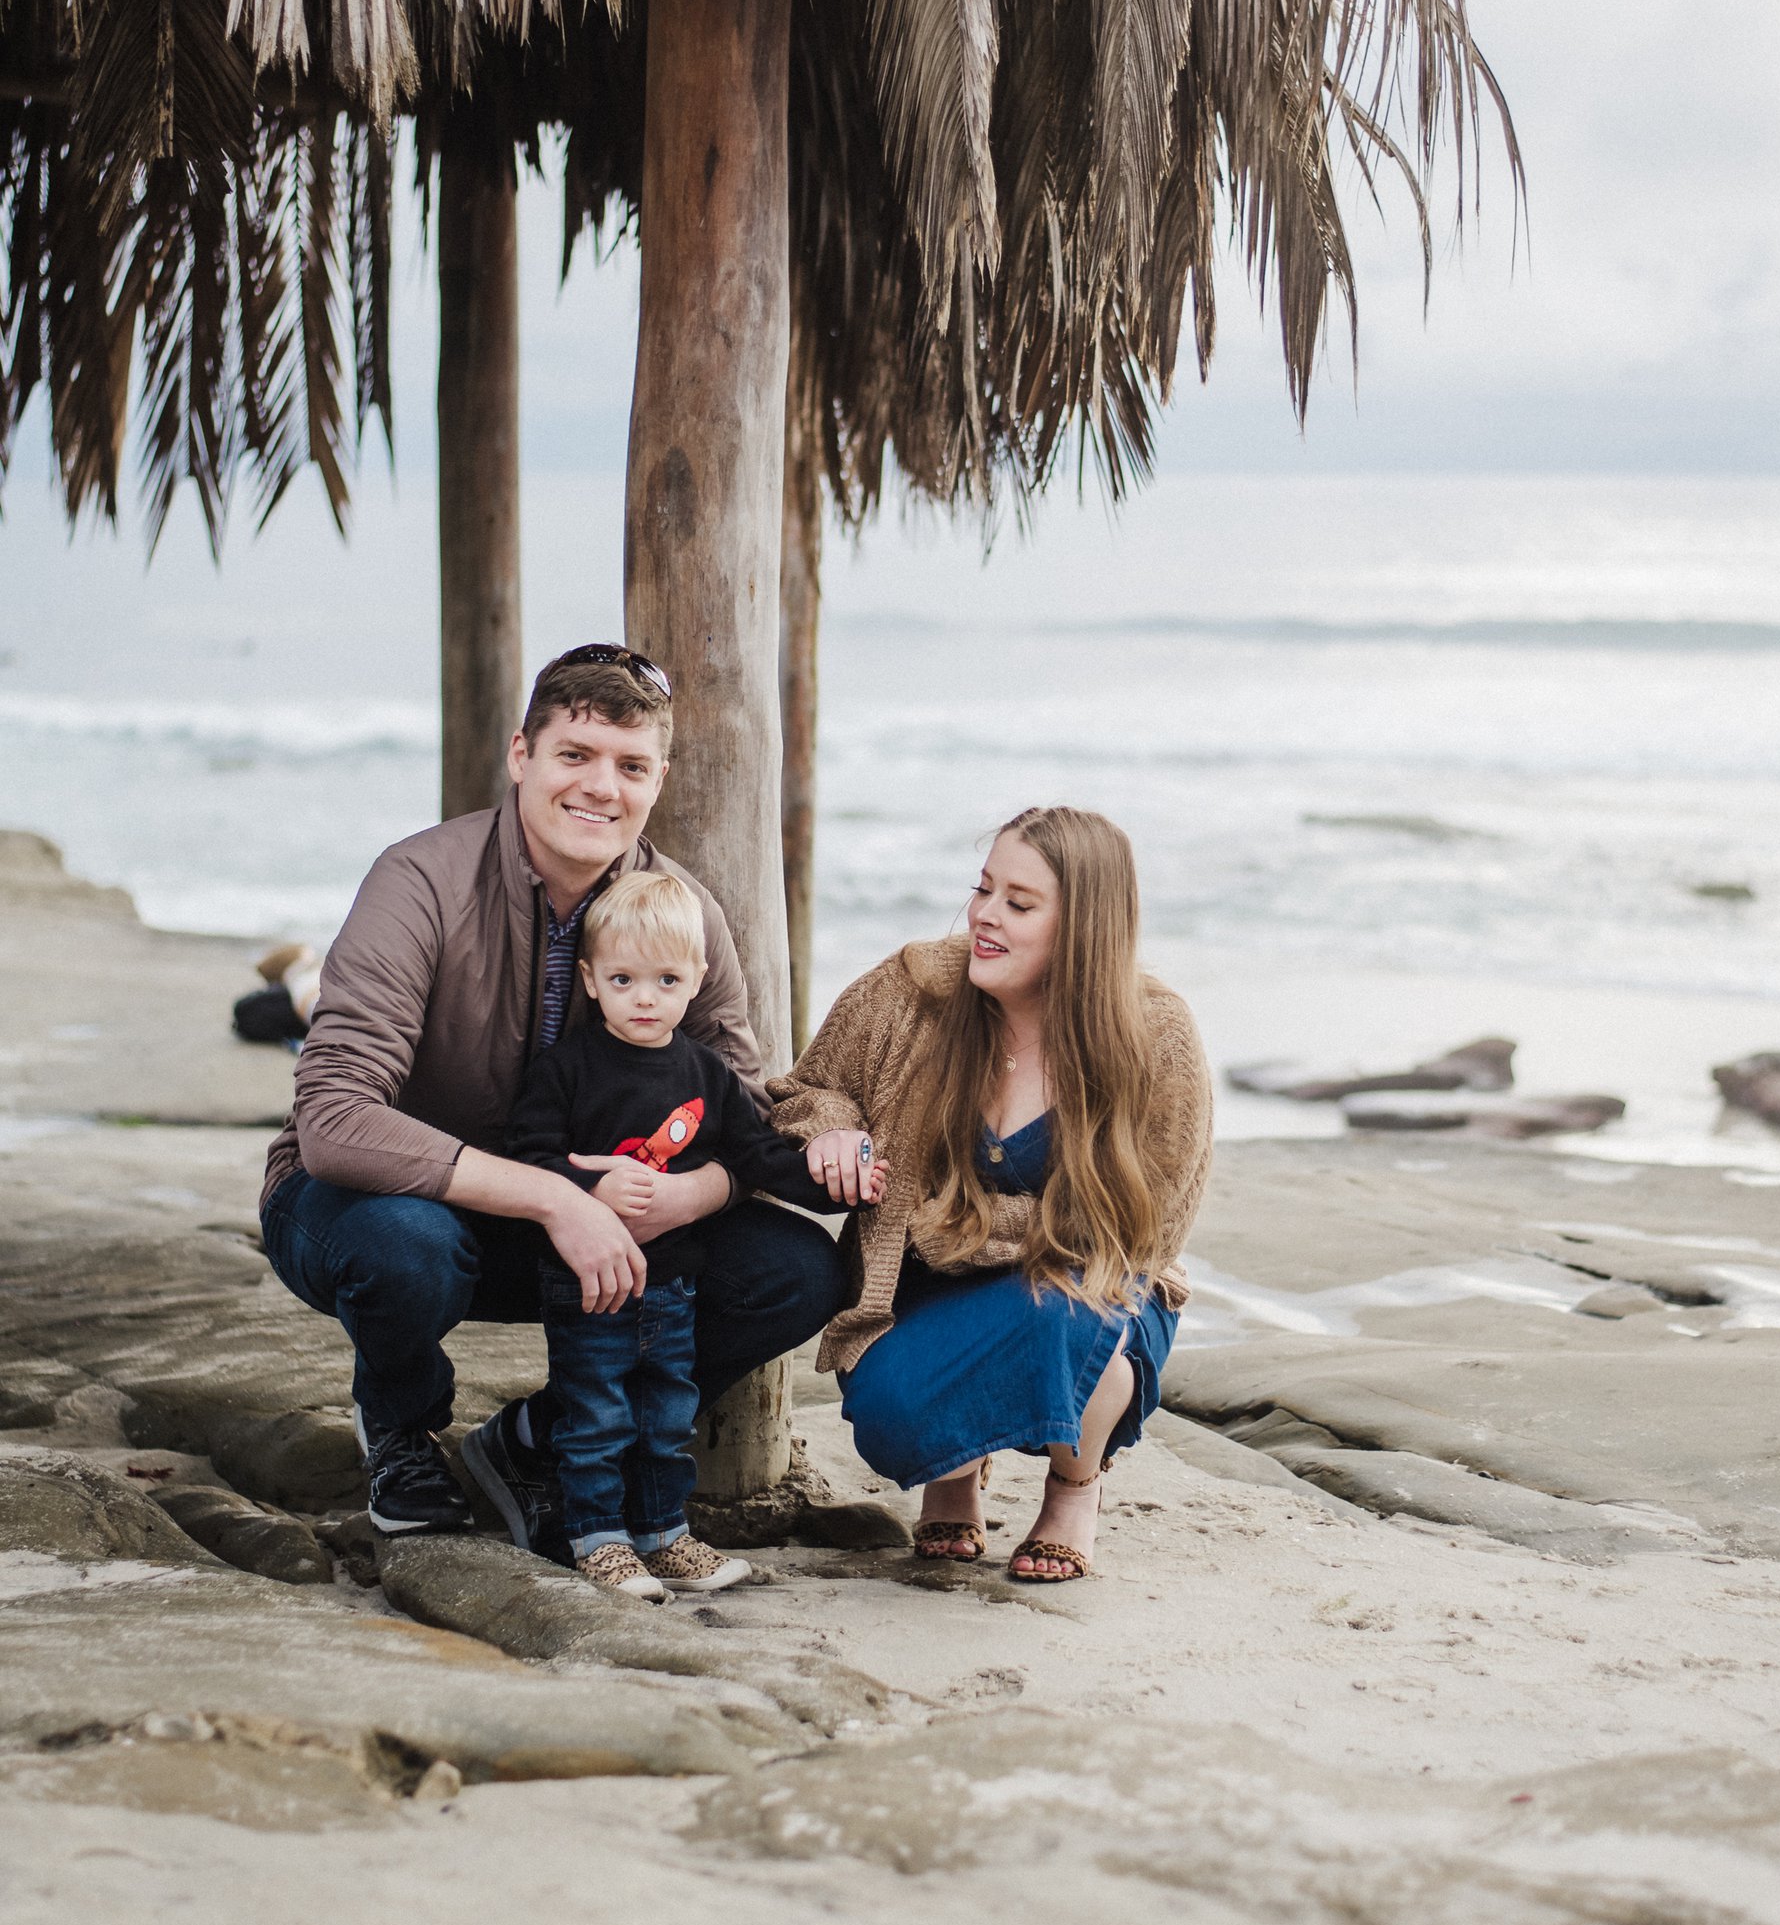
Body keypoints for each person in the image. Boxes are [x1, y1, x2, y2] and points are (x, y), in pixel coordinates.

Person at [258, 644, 847, 1548]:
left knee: (797, 1268)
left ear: (659, 780)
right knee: (404, 1250)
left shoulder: (685, 912)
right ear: (521, 756)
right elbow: (333, 1119)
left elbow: (740, 1115)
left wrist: (692, 1192)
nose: (601, 787)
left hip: (606, 1225)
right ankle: (400, 1425)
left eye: (631, 765)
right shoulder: (420, 880)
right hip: (391, 1209)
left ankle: (538, 1437)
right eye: (575, 754)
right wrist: (555, 1198)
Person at [769, 805, 1212, 1583]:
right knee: (891, 1421)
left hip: (1083, 1287)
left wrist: (965, 1226)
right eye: (983, 890)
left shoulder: (1156, 1036)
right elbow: (806, 1089)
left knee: (1072, 1321)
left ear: (1085, 929)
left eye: (1019, 902)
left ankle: (1074, 1490)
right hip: (922, 1292)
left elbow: (1150, 1228)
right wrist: (835, 1130)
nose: (985, 917)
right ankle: (954, 1469)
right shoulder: (908, 995)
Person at [505, 868, 883, 1597]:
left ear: (696, 979)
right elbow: (530, 1160)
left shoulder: (705, 1074)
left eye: (665, 979)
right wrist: (592, 1186)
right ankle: (597, 1539)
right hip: (590, 1286)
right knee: (597, 1418)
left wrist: (841, 1187)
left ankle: (662, 1534)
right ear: (588, 980)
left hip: (674, 1288)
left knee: (665, 1416)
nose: (644, 998)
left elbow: (760, 1157)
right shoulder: (566, 1071)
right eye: (622, 979)